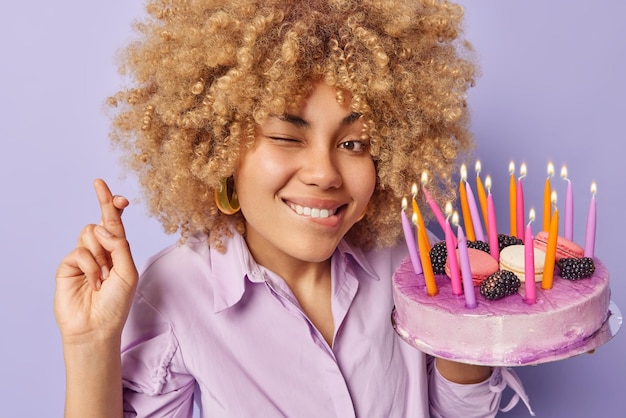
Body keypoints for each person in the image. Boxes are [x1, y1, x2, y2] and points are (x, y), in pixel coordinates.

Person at [54, 1, 532, 416]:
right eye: (286, 138)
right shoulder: (176, 293)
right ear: (220, 150)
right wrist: (90, 344)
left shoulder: (411, 260)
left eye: (353, 143)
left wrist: (464, 327)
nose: (324, 172)